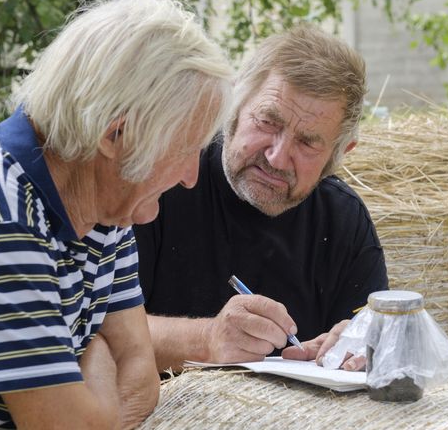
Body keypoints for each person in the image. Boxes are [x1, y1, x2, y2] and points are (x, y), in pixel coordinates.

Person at [0, 0, 232, 430]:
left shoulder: (104, 203)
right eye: (184, 148)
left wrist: (90, 385)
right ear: (116, 134)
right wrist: (97, 354)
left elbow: (142, 379)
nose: (190, 176)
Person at [134, 25, 388, 373]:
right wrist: (207, 339)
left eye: (307, 143)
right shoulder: (163, 180)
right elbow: (96, 330)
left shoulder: (343, 219)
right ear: (234, 105)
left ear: (341, 152)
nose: (277, 157)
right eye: (268, 121)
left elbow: (378, 340)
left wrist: (359, 345)